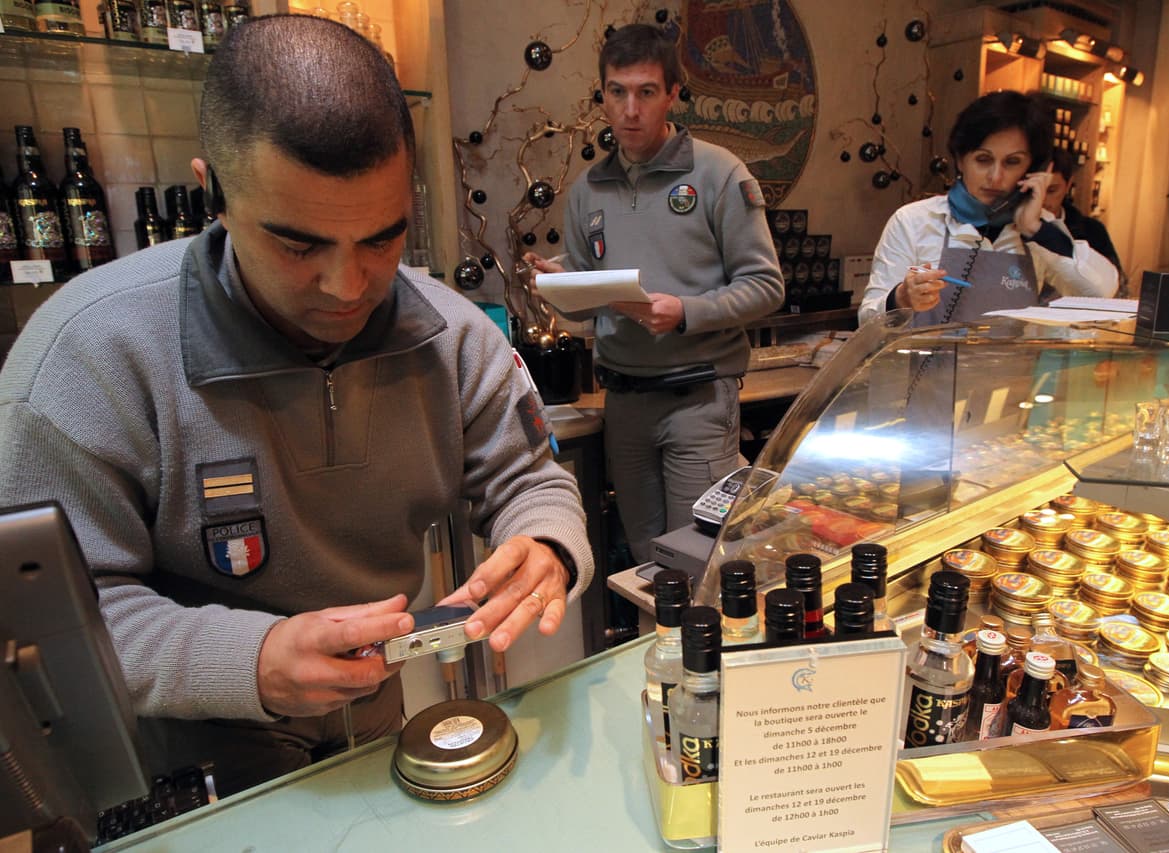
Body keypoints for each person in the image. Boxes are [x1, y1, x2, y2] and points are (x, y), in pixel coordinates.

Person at [0, 15, 592, 796]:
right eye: (298, 245)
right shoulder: (86, 353)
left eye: (381, 239)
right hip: (179, 781)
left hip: (373, 741)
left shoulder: (453, 337)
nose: (348, 287)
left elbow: (532, 479)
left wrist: (546, 545)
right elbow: (50, 624)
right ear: (212, 191)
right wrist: (248, 662)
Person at [524, 24, 784, 563]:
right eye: (617, 92)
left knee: (697, 558)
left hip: (698, 400)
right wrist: (557, 284)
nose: (630, 110)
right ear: (602, 96)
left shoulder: (718, 173)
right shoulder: (588, 189)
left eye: (646, 92)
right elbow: (588, 305)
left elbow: (766, 286)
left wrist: (686, 312)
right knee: (644, 559)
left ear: (671, 94)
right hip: (623, 401)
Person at [860, 90, 1118, 327]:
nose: (996, 177)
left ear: (1033, 169)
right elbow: (868, 320)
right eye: (983, 159)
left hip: (1011, 365)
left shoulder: (1039, 230)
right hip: (927, 364)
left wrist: (1036, 230)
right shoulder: (914, 220)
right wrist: (901, 298)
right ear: (960, 160)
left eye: (1012, 162)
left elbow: (1101, 293)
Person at [1043, 148, 1124, 288]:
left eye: (1051, 190)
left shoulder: (1093, 231)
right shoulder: (1013, 228)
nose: (1042, 200)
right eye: (1034, 190)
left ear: (1068, 185)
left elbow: (1119, 287)